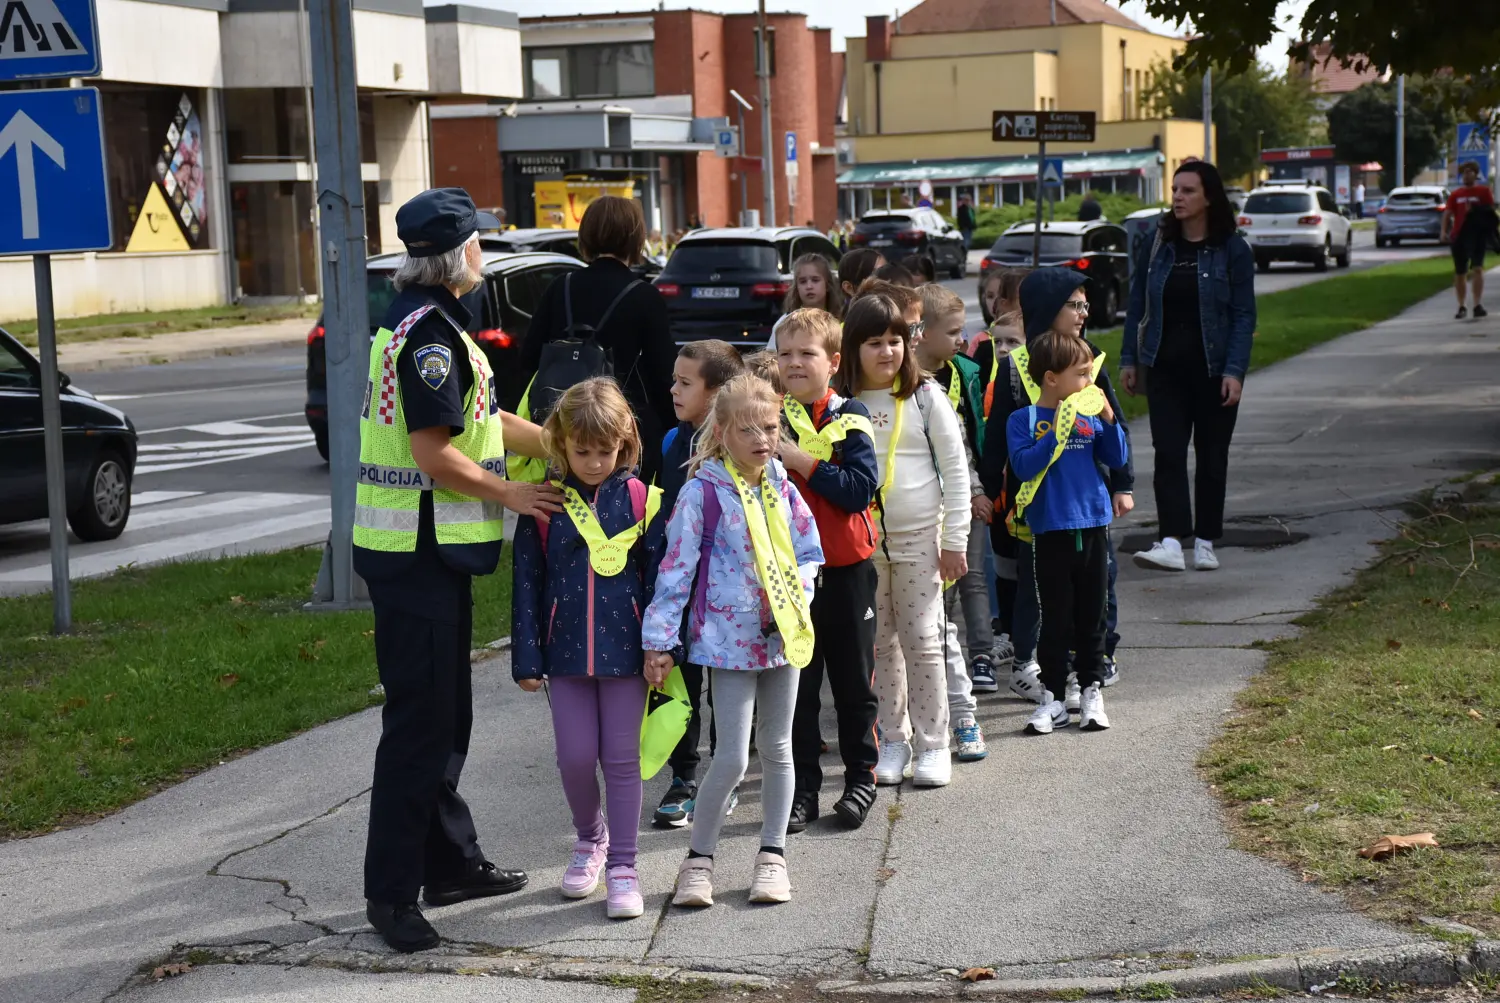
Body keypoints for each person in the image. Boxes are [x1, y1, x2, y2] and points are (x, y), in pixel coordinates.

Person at [353, 187, 565, 954]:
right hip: (415, 555)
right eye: (479, 242)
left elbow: (480, 417)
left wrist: (558, 446)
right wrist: (513, 490)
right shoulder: (429, 337)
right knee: (419, 728)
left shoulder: (431, 321)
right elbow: (433, 450)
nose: (485, 252)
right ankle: (391, 895)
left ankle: (450, 863)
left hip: (427, 555)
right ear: (460, 255)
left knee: (448, 721)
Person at [643, 375, 824, 908]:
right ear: (720, 432)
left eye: (770, 427)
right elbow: (675, 570)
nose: (763, 438)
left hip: (783, 640)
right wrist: (659, 640)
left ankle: (773, 857)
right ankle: (698, 861)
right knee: (731, 757)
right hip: (727, 644)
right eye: (748, 429)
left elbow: (809, 552)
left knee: (779, 748)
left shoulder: (783, 487)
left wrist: (799, 599)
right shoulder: (702, 493)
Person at [511, 379, 663, 921]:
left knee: (622, 762)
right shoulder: (545, 504)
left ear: (624, 444)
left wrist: (662, 647)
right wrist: (527, 659)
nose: (595, 462)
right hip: (565, 658)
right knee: (575, 759)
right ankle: (589, 839)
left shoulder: (644, 502)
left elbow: (660, 580)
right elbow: (526, 581)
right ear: (559, 443)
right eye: (582, 451)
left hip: (629, 657)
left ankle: (624, 866)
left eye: (607, 451)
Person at [835, 292, 970, 789]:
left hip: (919, 540)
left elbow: (956, 471)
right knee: (880, 645)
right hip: (863, 546)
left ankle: (935, 745)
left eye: (895, 340)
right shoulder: (840, 404)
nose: (887, 351)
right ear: (852, 349)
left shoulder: (924, 396)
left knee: (924, 640)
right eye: (874, 342)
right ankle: (894, 740)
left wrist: (955, 539)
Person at [980, 268, 1132, 703]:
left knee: (1100, 579)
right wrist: (989, 490)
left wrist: (1123, 483)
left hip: (1085, 496)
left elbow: (1113, 425)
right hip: (1038, 502)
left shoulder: (1090, 361)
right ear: (1048, 310)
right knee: (1040, 582)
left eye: (1085, 305)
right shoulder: (1014, 370)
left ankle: (1099, 656)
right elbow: (996, 439)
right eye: (1075, 304)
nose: (1084, 313)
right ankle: (1040, 664)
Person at [774, 309, 882, 832]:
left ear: (834, 362)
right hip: (791, 580)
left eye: (807, 353)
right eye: (786, 353)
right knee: (799, 690)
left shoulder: (850, 414)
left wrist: (802, 461)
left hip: (847, 571)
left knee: (854, 684)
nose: (795, 362)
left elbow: (860, 489)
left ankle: (862, 778)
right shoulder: (768, 416)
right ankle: (804, 790)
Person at [1121, 160, 1256, 573]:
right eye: (1175, 190)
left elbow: (1243, 315)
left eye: (1188, 191)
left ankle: (1206, 540)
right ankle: (1170, 540)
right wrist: (1130, 359)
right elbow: (1138, 304)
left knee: (1213, 456)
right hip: (1164, 368)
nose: (1178, 197)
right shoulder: (1159, 245)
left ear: (1208, 197)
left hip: (1214, 371)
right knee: (1169, 453)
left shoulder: (1233, 249)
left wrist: (1234, 371)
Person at [1006, 331, 1128, 735]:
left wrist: (1109, 420)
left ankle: (1092, 688)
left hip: (1092, 523)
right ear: (1051, 379)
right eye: (1081, 375)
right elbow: (1024, 468)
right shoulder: (1022, 420)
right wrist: (1057, 431)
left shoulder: (1092, 416)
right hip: (1050, 529)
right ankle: (1054, 697)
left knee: (1092, 613)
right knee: (1055, 617)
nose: (1089, 383)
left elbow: (1116, 457)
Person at [653, 341, 747, 828]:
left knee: (726, 689)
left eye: (685, 382)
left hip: (729, 597)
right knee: (681, 684)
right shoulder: (672, 442)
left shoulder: (738, 444)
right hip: (684, 592)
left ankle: (728, 776)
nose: (673, 388)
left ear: (716, 394)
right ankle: (684, 776)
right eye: (675, 379)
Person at [523, 197, 677, 482]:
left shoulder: (560, 287)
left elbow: (528, 360)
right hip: (622, 434)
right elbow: (663, 375)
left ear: (586, 235)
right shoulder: (643, 296)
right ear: (636, 238)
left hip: (565, 431)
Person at [915, 284, 996, 761]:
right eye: (953, 331)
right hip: (895, 530)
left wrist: (976, 494)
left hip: (944, 517)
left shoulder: (938, 389)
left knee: (941, 630)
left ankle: (964, 718)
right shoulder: (878, 390)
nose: (963, 339)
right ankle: (907, 730)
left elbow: (962, 455)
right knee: (899, 645)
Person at [1441, 161, 1494, 320]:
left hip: (1478, 236)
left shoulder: (1483, 192)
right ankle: (1462, 305)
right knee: (1460, 272)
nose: (1466, 175)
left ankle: (1477, 304)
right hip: (1459, 236)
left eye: (1470, 172)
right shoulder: (1456, 195)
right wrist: (1443, 231)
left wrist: (1476, 210)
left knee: (1477, 268)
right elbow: (1448, 213)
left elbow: (1490, 212)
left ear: (1476, 175)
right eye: (1464, 172)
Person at [767, 253, 844, 350]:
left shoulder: (840, 320)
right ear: (796, 287)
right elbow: (770, 358)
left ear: (827, 284)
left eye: (815, 280)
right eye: (803, 281)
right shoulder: (785, 323)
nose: (809, 286)